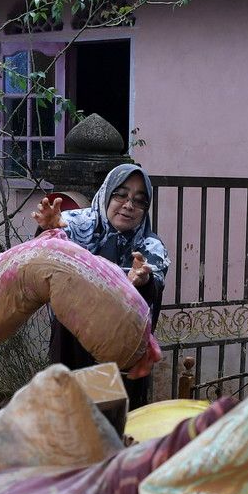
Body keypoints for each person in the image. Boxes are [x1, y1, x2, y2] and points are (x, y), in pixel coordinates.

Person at [32, 163, 169, 408]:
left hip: (121, 356)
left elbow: (154, 285)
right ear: (106, 193)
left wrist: (144, 281)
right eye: (121, 195)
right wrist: (47, 230)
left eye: (139, 201)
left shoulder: (150, 246)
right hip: (71, 349)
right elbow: (41, 260)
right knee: (71, 418)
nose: (129, 205)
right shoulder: (73, 225)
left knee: (113, 421)